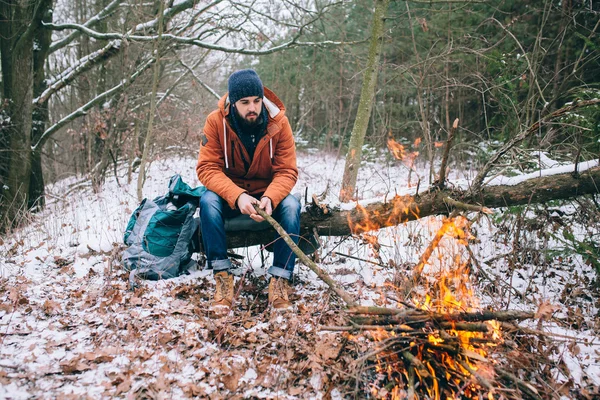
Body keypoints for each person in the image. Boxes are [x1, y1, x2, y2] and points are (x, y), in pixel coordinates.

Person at [196, 69, 301, 313]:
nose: (252, 107)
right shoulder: (215, 122)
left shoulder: (279, 123)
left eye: (256, 100)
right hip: (230, 193)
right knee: (207, 201)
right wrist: (237, 196)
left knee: (293, 205)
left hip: (268, 192)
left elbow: (287, 171)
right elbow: (207, 168)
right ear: (233, 102)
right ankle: (222, 279)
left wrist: (270, 198)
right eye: (244, 103)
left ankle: (280, 282)